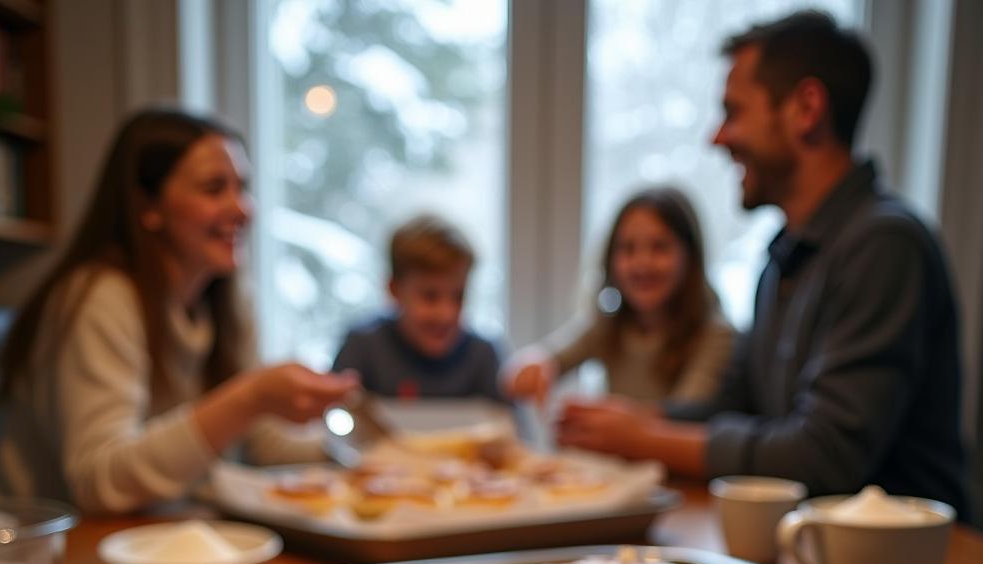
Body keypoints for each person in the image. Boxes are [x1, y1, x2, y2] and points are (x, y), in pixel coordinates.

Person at [557, 11, 969, 518]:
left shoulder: (885, 243)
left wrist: (649, 438)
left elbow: (824, 455)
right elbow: (738, 402)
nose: (718, 137)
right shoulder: (784, 253)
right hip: (808, 548)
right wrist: (637, 418)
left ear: (806, 109)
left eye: (733, 112)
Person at [0, 106, 357, 514]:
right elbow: (100, 482)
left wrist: (355, 451)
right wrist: (250, 398)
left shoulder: (225, 301)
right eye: (215, 189)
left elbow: (263, 443)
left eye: (242, 187)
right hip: (44, 556)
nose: (242, 208)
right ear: (149, 207)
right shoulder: (99, 298)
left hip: (152, 538)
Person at [504, 187, 734, 405]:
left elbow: (683, 418)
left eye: (659, 247)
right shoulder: (610, 325)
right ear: (610, 260)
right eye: (628, 248)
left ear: (690, 257)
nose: (642, 263)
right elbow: (551, 355)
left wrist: (597, 420)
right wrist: (535, 364)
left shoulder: (716, 337)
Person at [332, 214, 505, 402]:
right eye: (430, 296)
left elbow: (511, 426)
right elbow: (332, 418)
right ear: (394, 290)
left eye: (458, 296)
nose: (446, 314)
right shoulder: (363, 348)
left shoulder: (483, 356)